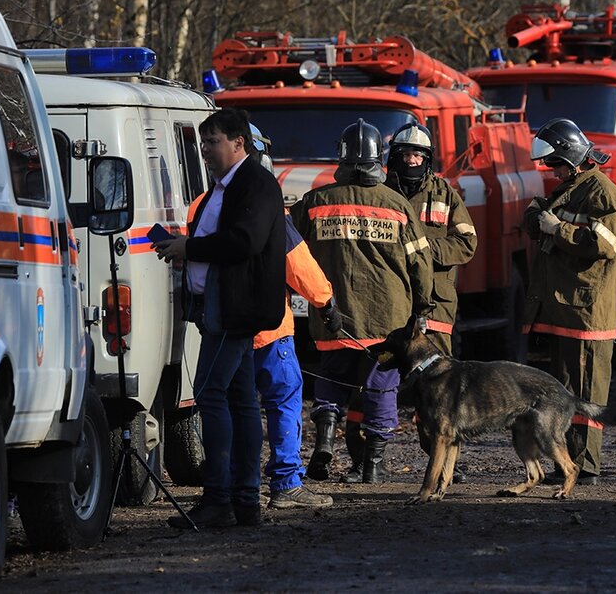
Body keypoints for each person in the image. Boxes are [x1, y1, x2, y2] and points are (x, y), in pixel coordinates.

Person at [183, 124, 339, 510]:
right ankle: (285, 483)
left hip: (220, 323)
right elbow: (296, 264)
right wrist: (325, 302)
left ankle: (237, 487)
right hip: (269, 331)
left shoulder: (202, 204)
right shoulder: (267, 204)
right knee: (282, 400)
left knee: (232, 406)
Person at [155, 108, 286, 529]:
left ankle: (219, 499)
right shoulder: (223, 186)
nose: (206, 151)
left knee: (211, 395)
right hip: (222, 308)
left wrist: (188, 248)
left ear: (238, 143)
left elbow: (244, 241)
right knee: (240, 400)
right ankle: (244, 500)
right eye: (203, 143)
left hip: (234, 311)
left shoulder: (256, 184)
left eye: (212, 142)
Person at [289, 118, 434, 484]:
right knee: (380, 386)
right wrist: (422, 309)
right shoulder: (398, 205)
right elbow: (421, 265)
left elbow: (290, 252)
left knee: (331, 379)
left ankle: (323, 443)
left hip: (331, 314)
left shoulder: (314, 202)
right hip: (388, 322)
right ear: (378, 158)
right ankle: (373, 465)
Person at [522, 118, 616, 487]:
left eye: (555, 164)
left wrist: (558, 229)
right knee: (563, 394)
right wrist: (541, 220)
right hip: (564, 308)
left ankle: (586, 467)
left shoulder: (603, 192)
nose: (551, 172)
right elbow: (535, 216)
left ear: (572, 157)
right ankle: (566, 462)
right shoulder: (570, 187)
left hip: (588, 311)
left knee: (587, 394)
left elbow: (606, 245)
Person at [381, 122, 477, 483]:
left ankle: (444, 461)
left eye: (419, 155)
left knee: (441, 390)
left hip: (435, 305)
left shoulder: (445, 195)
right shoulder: (381, 191)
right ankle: (368, 459)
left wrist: (422, 251)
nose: (413, 161)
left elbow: (467, 243)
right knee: (377, 380)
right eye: (407, 154)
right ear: (395, 158)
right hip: (394, 302)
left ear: (429, 159)